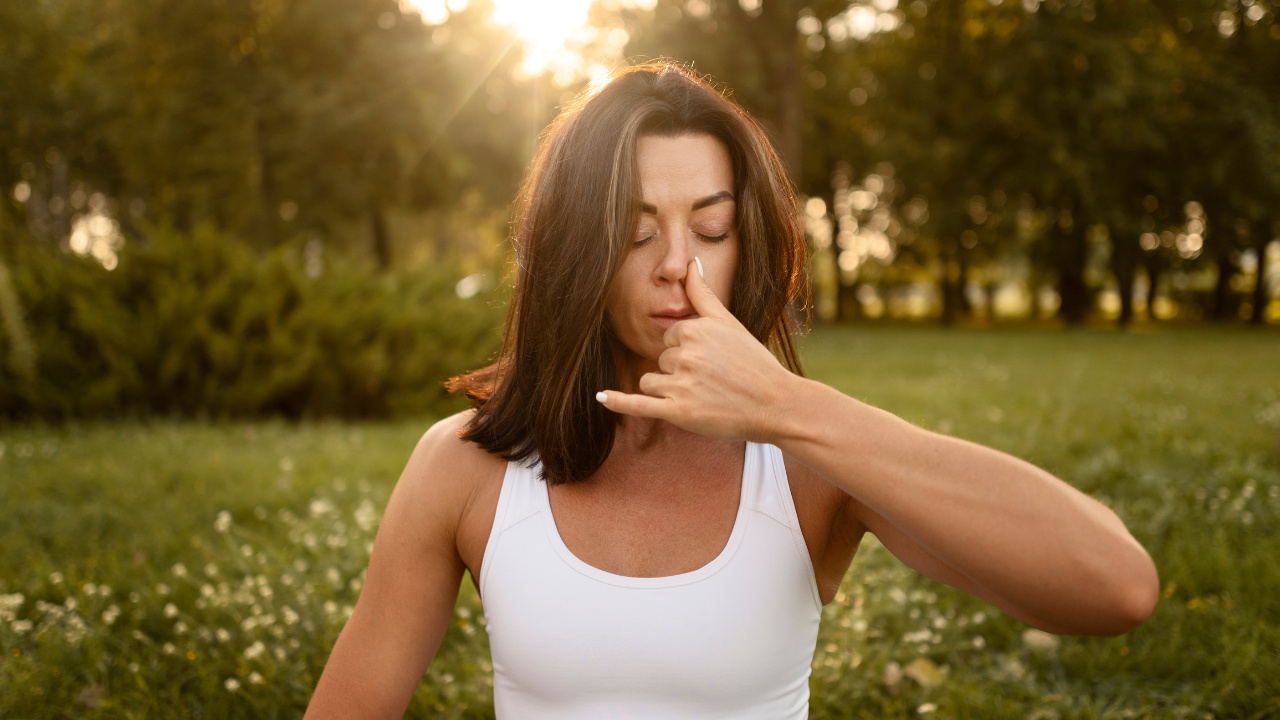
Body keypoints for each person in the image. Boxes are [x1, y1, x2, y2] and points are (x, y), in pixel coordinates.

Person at [303, 62, 1158, 719]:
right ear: (574, 254)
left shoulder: (808, 464)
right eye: (637, 233)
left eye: (711, 228)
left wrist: (788, 409)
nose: (680, 262)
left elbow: (1115, 587)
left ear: (746, 240)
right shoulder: (466, 468)